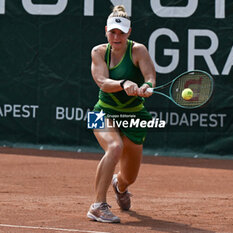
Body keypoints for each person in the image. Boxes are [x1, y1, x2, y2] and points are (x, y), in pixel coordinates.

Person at [86, 5, 156, 223]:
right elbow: (102, 82)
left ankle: (120, 185)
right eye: (113, 32)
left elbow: (150, 77)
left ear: (129, 32)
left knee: (129, 177)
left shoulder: (139, 51)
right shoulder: (98, 52)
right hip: (101, 112)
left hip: (134, 115)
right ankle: (98, 206)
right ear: (106, 30)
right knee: (114, 147)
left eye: (121, 32)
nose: (116, 36)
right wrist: (124, 83)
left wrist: (147, 87)